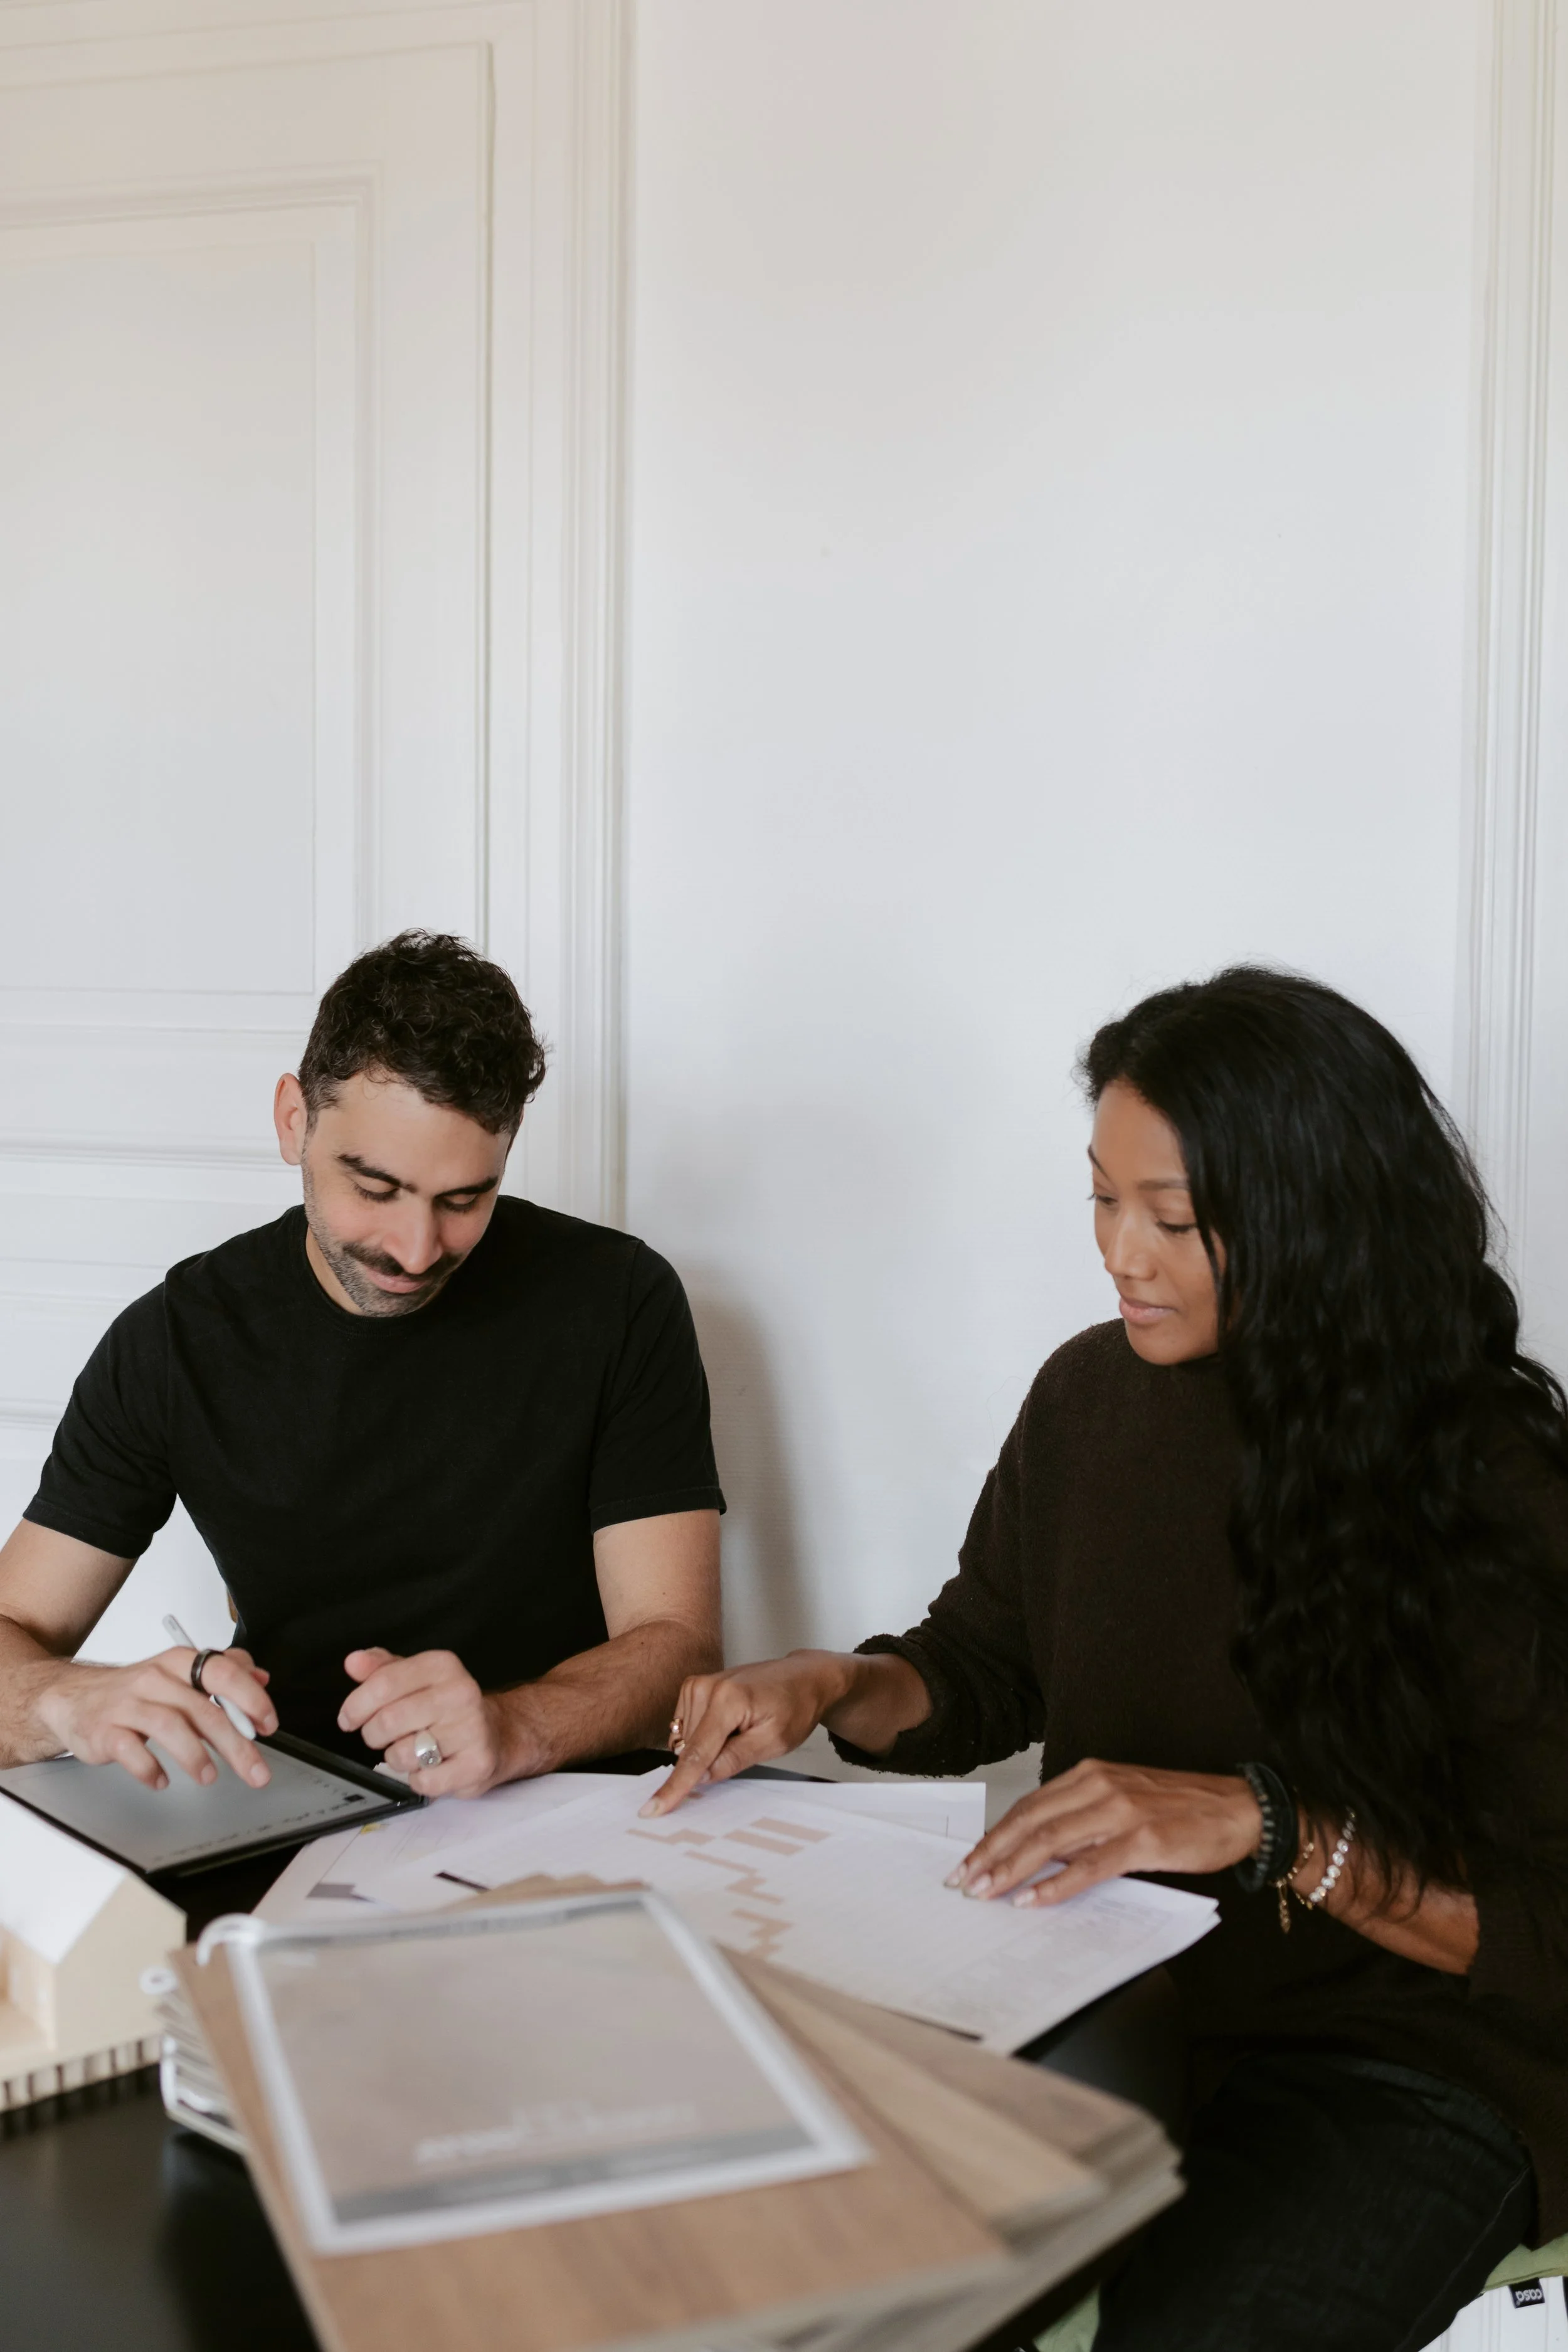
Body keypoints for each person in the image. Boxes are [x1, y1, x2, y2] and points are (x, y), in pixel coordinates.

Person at [645, 968, 1568, 2352]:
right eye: (1099, 1198)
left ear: (1312, 1222)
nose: (1117, 1253)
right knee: (788, 2284)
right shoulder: (1090, 1395)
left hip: (1397, 2066)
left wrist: (1266, 1827)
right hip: (1099, 2007)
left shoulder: (1491, 1489)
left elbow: (1537, 1937)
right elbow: (977, 1668)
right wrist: (834, 1683)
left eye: (1171, 1220)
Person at [0, 931, 723, 1801]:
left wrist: (514, 1727)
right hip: (293, 1803)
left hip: (564, 1793)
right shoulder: (175, 1342)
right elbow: (16, 1626)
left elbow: (678, 1643)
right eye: (376, 1189)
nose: (417, 1249)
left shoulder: (619, 1300)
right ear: (293, 1119)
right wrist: (68, 1700)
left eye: (465, 1200)